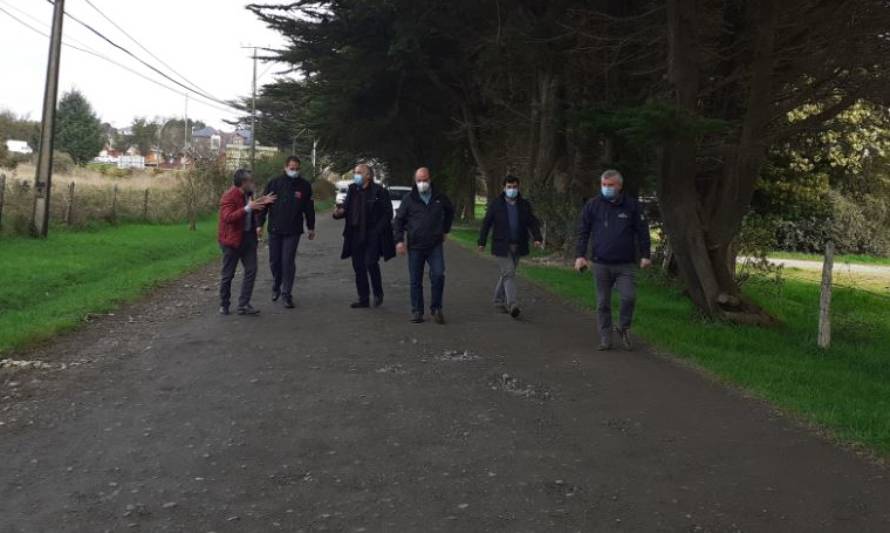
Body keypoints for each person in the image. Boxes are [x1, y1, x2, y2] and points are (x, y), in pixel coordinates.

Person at [574, 169, 652, 350]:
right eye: (604, 185)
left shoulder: (632, 206)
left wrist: (646, 255)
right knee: (603, 303)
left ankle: (623, 327)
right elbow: (583, 232)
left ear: (619, 186)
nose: (607, 188)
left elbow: (643, 232)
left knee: (629, 297)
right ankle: (605, 337)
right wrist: (580, 256)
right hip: (601, 263)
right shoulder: (593, 205)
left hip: (625, 264)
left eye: (611, 185)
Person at [394, 167, 455, 324]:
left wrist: (445, 229)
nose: (422, 183)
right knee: (415, 280)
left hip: (435, 244)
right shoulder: (409, 199)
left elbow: (450, 212)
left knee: (438, 274)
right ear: (415, 181)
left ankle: (436, 308)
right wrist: (399, 240)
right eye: (419, 180)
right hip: (415, 245)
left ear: (430, 179)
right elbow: (399, 220)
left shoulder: (439, 197)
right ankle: (417, 311)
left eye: (425, 180)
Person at [477, 175, 543, 318]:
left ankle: (498, 300)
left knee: (507, 274)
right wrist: (482, 241)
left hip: (518, 245)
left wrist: (537, 237)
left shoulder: (524, 205)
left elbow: (532, 222)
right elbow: (487, 223)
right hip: (501, 245)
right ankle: (512, 304)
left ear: (518, 188)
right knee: (509, 273)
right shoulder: (496, 204)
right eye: (509, 187)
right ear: (504, 188)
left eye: (514, 187)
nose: (512, 190)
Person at [333, 163, 396, 308]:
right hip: (354, 234)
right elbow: (346, 209)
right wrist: (338, 213)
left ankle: (378, 293)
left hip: (372, 234)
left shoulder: (379, 192)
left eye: (359, 172)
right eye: (355, 172)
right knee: (358, 267)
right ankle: (363, 298)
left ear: (368, 176)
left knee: (371, 263)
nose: (356, 175)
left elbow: (388, 214)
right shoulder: (352, 189)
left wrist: (378, 231)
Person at [258, 155, 316, 309]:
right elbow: (264, 204)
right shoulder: (274, 183)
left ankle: (286, 294)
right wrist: (259, 224)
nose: (294, 171)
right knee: (274, 261)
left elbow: (309, 209)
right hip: (275, 229)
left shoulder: (304, 186)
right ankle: (276, 284)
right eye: (292, 168)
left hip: (293, 230)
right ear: (285, 168)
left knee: (288, 262)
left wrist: (311, 227)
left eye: (297, 169)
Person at [217, 169, 276, 316]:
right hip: (231, 241)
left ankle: (243, 304)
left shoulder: (248, 195)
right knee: (228, 275)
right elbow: (228, 218)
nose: (252, 183)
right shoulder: (228, 196)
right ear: (243, 183)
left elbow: (251, 210)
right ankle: (224, 304)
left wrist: (262, 202)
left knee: (251, 270)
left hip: (248, 239)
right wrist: (248, 208)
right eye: (250, 180)